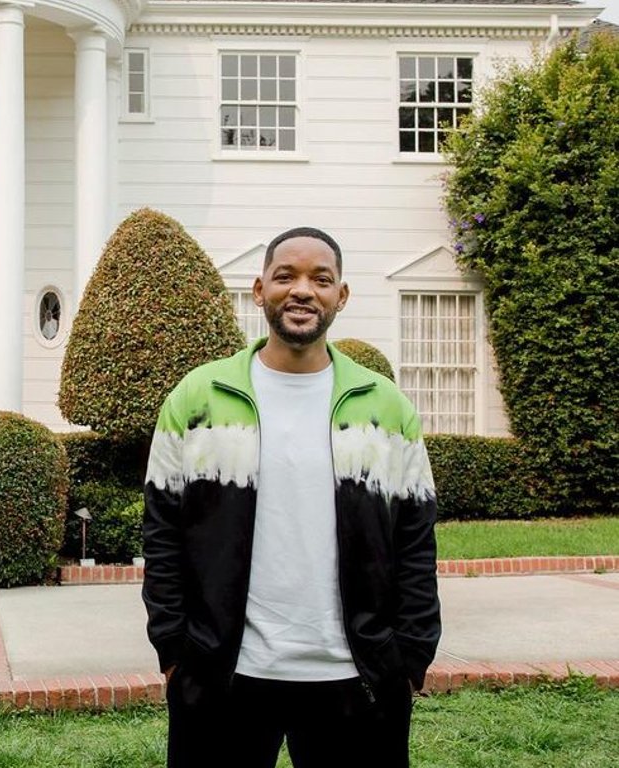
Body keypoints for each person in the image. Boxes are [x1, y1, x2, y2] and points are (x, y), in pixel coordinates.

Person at [141, 226, 440, 768]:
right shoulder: (197, 397)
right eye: (286, 276)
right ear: (260, 290)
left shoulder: (387, 407)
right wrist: (174, 648)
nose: (302, 290)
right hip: (224, 674)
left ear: (341, 296)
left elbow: (415, 539)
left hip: (357, 678)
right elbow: (162, 531)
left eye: (320, 279)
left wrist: (411, 654)